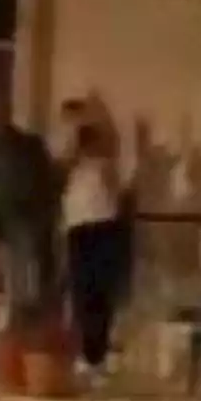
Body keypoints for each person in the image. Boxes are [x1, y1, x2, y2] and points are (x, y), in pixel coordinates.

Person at [0, 98, 58, 324]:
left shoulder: (26, 144)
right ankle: (19, 309)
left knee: (28, 263)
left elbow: (39, 178)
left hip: (27, 212)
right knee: (12, 266)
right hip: (3, 216)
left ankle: (29, 310)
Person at [62, 123, 124, 383]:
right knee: (83, 294)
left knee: (98, 294)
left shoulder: (104, 167)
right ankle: (88, 355)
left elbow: (116, 194)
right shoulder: (72, 170)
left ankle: (96, 356)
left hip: (102, 230)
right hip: (80, 232)